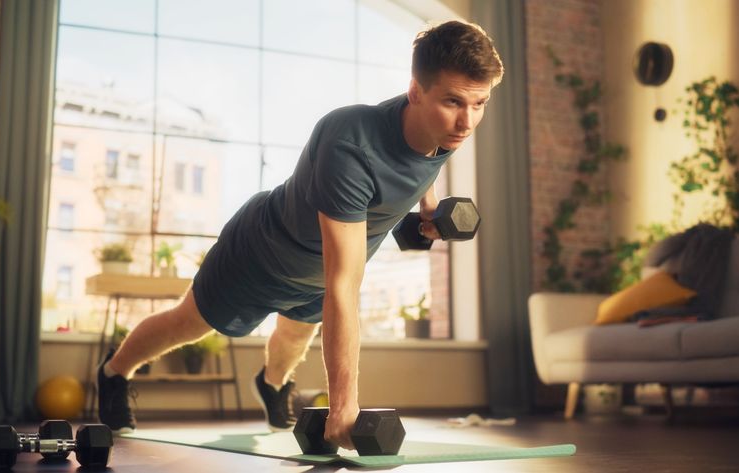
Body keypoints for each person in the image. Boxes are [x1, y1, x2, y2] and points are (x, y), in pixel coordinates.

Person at [97, 19, 503, 450]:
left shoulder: (440, 130)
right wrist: (344, 406)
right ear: (415, 91)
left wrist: (427, 209)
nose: (467, 121)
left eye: (479, 104)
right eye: (455, 102)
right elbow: (343, 287)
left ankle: (272, 385)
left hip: (318, 266)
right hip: (262, 252)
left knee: (293, 337)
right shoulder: (350, 143)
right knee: (188, 324)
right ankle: (114, 372)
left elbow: (422, 164)